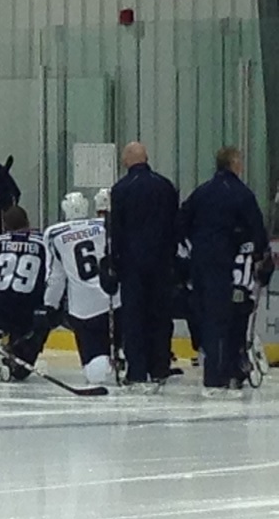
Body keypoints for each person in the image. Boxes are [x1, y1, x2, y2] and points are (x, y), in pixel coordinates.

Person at [179, 146, 270, 396]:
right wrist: (261, 255)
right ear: (234, 163)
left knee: (209, 318)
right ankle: (226, 373)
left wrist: (193, 249)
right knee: (231, 317)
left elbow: (181, 222)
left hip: (202, 265)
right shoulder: (241, 194)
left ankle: (215, 372)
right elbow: (256, 229)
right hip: (229, 266)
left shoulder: (202, 192)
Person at [105, 142, 179, 386]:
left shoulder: (121, 189)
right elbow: (174, 225)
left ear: (127, 160)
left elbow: (116, 230)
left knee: (134, 316)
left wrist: (113, 261)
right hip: (162, 262)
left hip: (132, 263)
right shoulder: (166, 186)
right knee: (160, 314)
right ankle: (159, 366)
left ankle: (137, 370)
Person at [43, 192, 122, 386]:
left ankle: (103, 364)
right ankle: (122, 357)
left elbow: (56, 277)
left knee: (95, 374)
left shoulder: (55, 234)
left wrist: (49, 306)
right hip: (115, 302)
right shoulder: (105, 226)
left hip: (83, 310)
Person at [0, 205, 49, 380]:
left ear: (4, 225)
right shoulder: (43, 242)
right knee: (21, 372)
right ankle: (21, 351)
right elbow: (51, 275)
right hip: (28, 308)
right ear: (27, 221)